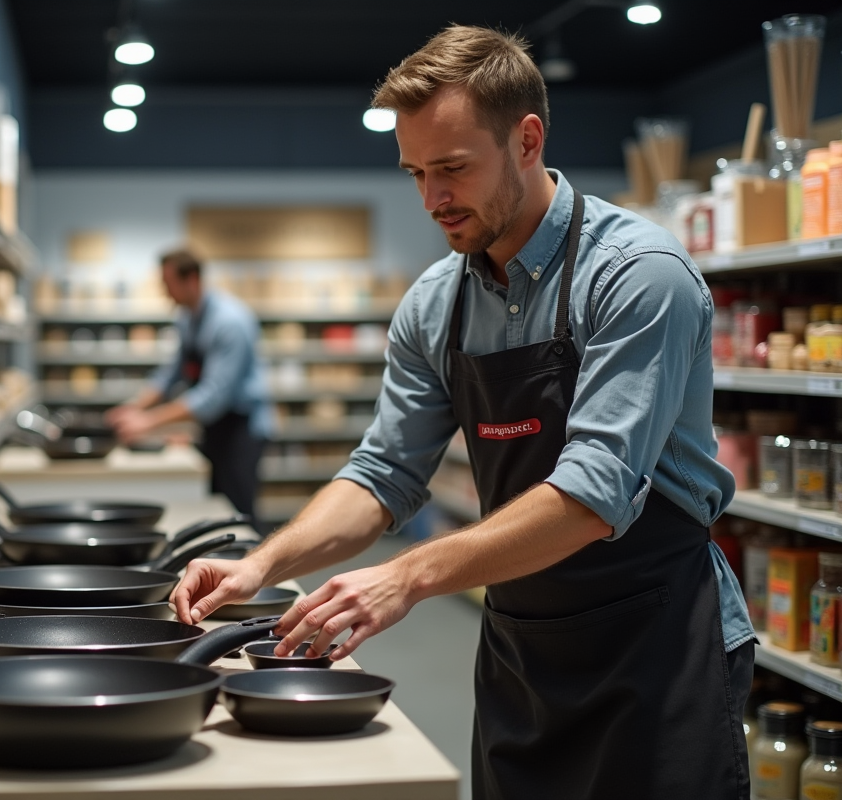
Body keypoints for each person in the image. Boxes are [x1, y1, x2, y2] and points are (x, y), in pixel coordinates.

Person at [171, 24, 753, 800]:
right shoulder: (435, 304)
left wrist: (408, 575)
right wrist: (261, 565)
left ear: (527, 140)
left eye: (452, 168)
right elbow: (384, 473)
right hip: (523, 648)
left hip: (657, 648)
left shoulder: (638, 277)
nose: (432, 200)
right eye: (416, 173)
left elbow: (594, 494)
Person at [107, 248, 271, 520]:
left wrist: (147, 422)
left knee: (238, 509)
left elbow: (213, 396)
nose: (165, 293)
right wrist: (134, 407)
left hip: (241, 429)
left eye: (168, 284)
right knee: (216, 506)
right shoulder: (187, 318)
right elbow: (172, 374)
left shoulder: (230, 322)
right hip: (214, 427)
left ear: (191, 279)